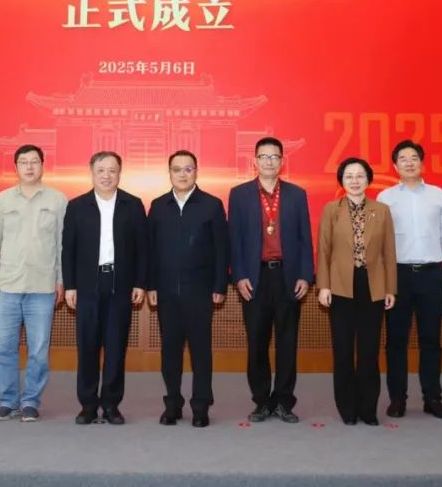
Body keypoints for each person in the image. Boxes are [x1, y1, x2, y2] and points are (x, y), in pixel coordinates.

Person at [228, 136, 314, 424]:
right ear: (255, 161)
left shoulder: (296, 194)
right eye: (263, 156)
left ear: (282, 161)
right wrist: (239, 275)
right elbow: (234, 239)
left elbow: (304, 238)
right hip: (255, 278)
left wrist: (305, 275)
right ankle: (262, 401)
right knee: (257, 342)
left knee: (287, 342)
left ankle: (284, 401)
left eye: (274, 156)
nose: (269, 161)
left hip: (288, 276)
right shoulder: (239, 194)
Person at [377, 139, 442, 420]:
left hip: (431, 274)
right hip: (398, 276)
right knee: (396, 341)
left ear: (422, 163)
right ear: (395, 165)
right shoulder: (386, 197)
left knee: (431, 340)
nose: (409, 163)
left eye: (414, 158)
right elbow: (379, 243)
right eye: (403, 159)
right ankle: (397, 399)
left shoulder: (437, 194)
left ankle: (432, 399)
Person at [62, 151, 147, 425]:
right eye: (101, 170)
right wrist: (70, 285)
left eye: (112, 170)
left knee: (115, 346)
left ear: (119, 173)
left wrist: (140, 282)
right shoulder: (77, 206)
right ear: (92, 173)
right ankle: (87, 405)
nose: (106, 176)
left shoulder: (132, 205)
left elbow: (142, 249)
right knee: (87, 345)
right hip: (87, 284)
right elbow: (68, 250)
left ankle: (111, 404)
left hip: (120, 284)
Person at [0, 145, 68, 423]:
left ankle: (31, 400)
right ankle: (8, 401)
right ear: (16, 167)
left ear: (43, 166)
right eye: (24, 162)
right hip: (8, 285)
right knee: (2, 347)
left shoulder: (58, 200)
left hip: (43, 287)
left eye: (35, 162)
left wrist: (60, 280)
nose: (30, 167)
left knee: (38, 351)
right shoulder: (2, 200)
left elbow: (62, 245)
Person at [147, 150, 228, 428]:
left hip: (200, 291)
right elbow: (150, 250)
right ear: (169, 173)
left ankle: (201, 406)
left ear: (196, 172)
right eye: (177, 169)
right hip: (166, 291)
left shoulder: (212, 205)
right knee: (170, 351)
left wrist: (219, 285)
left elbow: (221, 249)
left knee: (200, 351)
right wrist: (151, 285)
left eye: (188, 169)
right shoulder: (158, 206)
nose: (182, 174)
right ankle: (172, 404)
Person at [317, 157, 397, 426]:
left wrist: (390, 288)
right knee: (342, 350)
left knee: (369, 350)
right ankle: (347, 408)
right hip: (340, 285)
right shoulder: (331, 209)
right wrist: (324, 285)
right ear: (341, 180)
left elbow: (389, 252)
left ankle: (368, 408)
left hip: (372, 285)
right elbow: (324, 250)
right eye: (349, 176)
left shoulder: (382, 210)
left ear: (368, 180)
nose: (354, 181)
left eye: (360, 175)